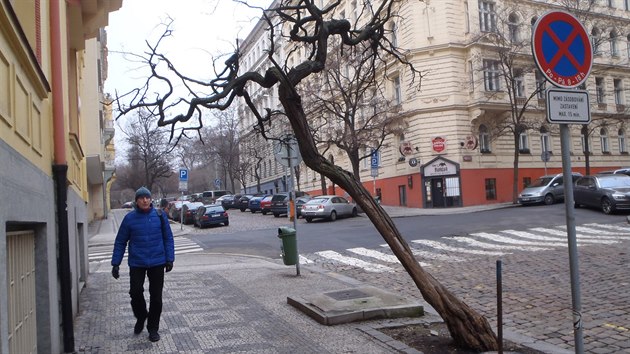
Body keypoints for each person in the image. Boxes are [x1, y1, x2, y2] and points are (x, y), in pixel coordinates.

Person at [111, 187, 175, 342]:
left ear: (151, 199)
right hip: (137, 262)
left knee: (156, 298)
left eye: (147, 197)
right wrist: (115, 263)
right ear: (136, 201)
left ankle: (153, 328)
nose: (145, 200)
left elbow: (168, 238)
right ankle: (141, 316)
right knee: (135, 292)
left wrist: (169, 259)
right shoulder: (130, 218)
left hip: (157, 261)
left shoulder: (160, 216)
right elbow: (120, 241)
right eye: (141, 198)